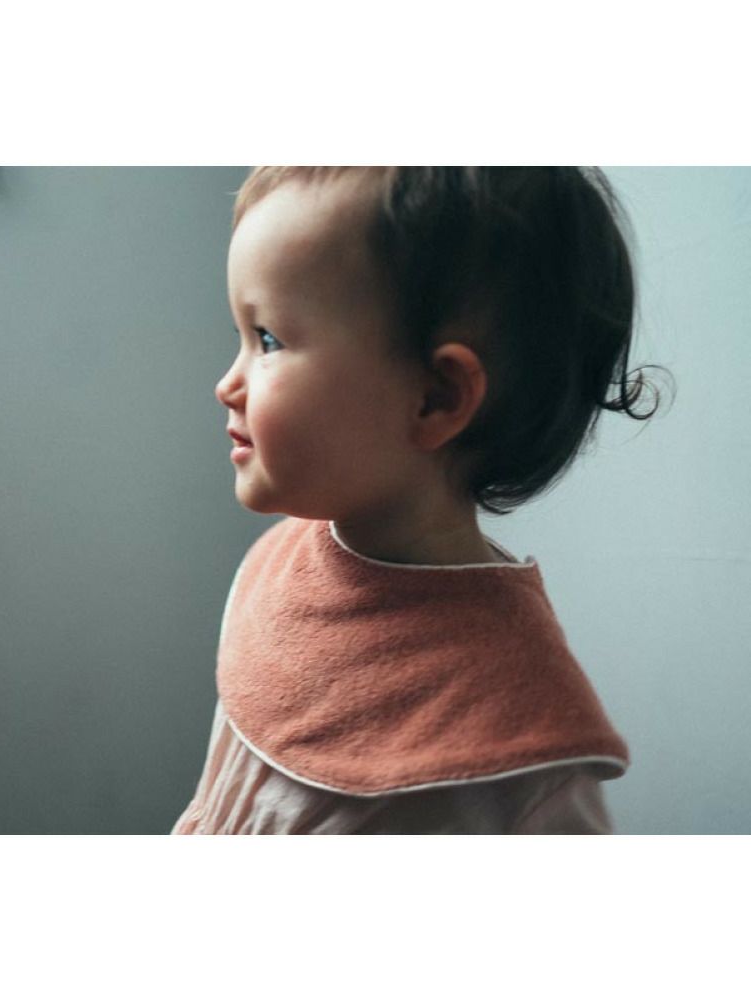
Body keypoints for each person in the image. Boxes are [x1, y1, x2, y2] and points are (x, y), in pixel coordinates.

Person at [173, 167, 664, 835]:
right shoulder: (284, 564)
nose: (227, 384)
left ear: (435, 398)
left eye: (268, 341)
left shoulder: (519, 759)